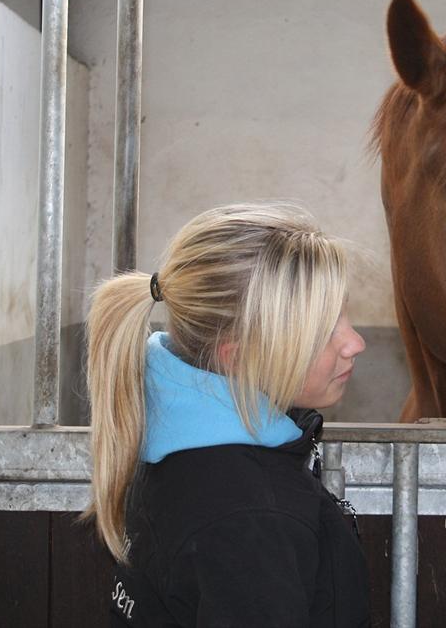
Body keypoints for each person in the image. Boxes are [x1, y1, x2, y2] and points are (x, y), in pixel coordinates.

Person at [84, 202, 370, 627]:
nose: (355, 343)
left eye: (343, 314)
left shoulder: (175, 442)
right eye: (322, 330)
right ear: (237, 358)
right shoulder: (249, 521)